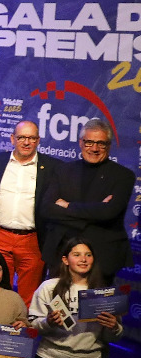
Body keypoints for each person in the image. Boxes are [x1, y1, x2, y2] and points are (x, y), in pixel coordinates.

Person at [23, 237, 121, 358]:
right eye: (77, 255)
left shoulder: (103, 293)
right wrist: (48, 322)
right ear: (65, 260)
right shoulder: (49, 287)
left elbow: (113, 338)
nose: (83, 259)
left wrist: (114, 327)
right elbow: (32, 326)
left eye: (88, 255)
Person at [41, 119, 135, 281]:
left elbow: (108, 213)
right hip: (61, 253)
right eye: (89, 142)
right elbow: (47, 209)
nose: (94, 148)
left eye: (101, 144)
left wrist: (68, 206)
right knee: (57, 298)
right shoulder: (63, 170)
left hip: (101, 258)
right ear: (81, 143)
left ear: (109, 145)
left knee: (95, 299)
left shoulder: (123, 176)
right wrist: (95, 209)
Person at [0, 120, 53, 305]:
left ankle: (23, 325)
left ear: (38, 140)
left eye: (31, 138)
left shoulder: (52, 167)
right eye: (21, 137)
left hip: (32, 241)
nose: (26, 142)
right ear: (12, 138)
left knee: (29, 298)